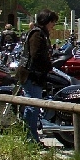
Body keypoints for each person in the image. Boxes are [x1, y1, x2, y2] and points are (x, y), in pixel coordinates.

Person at [16, 8, 58, 146]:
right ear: (46, 21)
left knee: (33, 106)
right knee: (33, 106)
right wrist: (48, 66)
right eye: (52, 22)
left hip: (34, 74)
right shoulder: (37, 34)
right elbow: (36, 55)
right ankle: (30, 139)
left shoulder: (41, 33)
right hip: (32, 74)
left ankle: (31, 137)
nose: (53, 25)